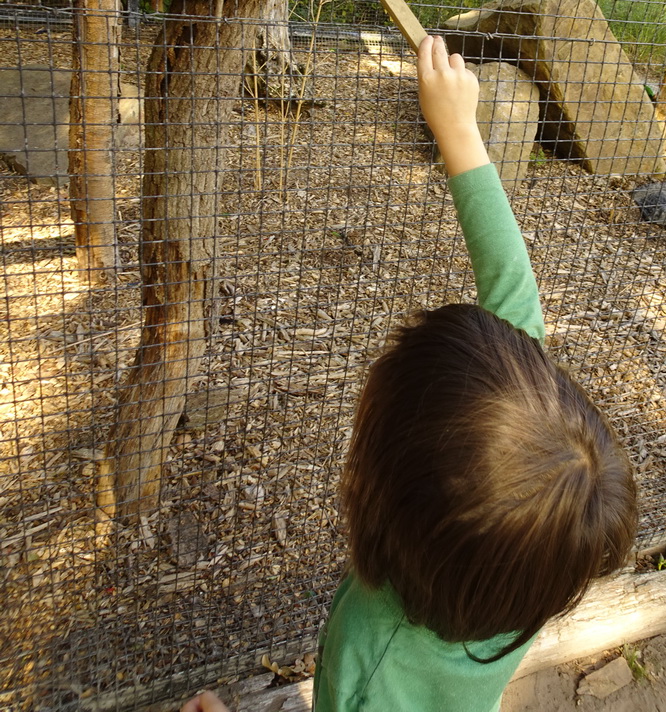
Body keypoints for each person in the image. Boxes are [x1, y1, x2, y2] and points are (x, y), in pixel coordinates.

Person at [180, 36, 638, 712]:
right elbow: (512, 286)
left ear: (380, 504)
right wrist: (459, 131)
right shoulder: (530, 562)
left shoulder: (374, 655)